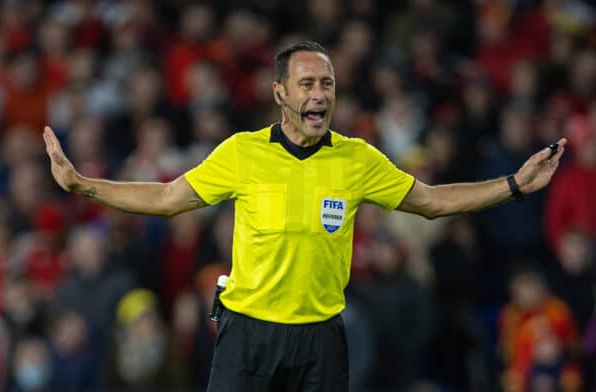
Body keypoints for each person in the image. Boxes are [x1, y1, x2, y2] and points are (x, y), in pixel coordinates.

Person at [43, 41, 566, 392]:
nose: (320, 94)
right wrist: (82, 185)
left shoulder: (357, 159)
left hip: (320, 338)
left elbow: (431, 201)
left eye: (328, 85)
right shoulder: (242, 153)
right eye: (308, 84)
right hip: (247, 336)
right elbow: (165, 199)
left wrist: (515, 184)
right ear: (280, 94)